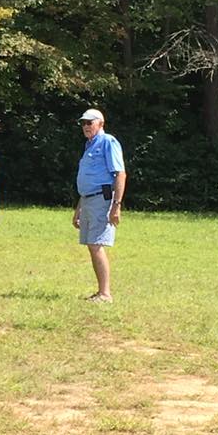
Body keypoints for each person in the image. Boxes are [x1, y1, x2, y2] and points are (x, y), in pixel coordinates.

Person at [72, 107, 126, 303]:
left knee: (96, 245)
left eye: (90, 122)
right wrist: (78, 208)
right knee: (91, 245)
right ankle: (101, 291)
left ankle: (105, 294)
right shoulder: (89, 145)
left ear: (100, 124)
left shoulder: (107, 142)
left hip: (102, 200)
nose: (86, 126)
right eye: (83, 123)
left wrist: (116, 206)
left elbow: (120, 174)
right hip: (88, 199)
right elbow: (88, 181)